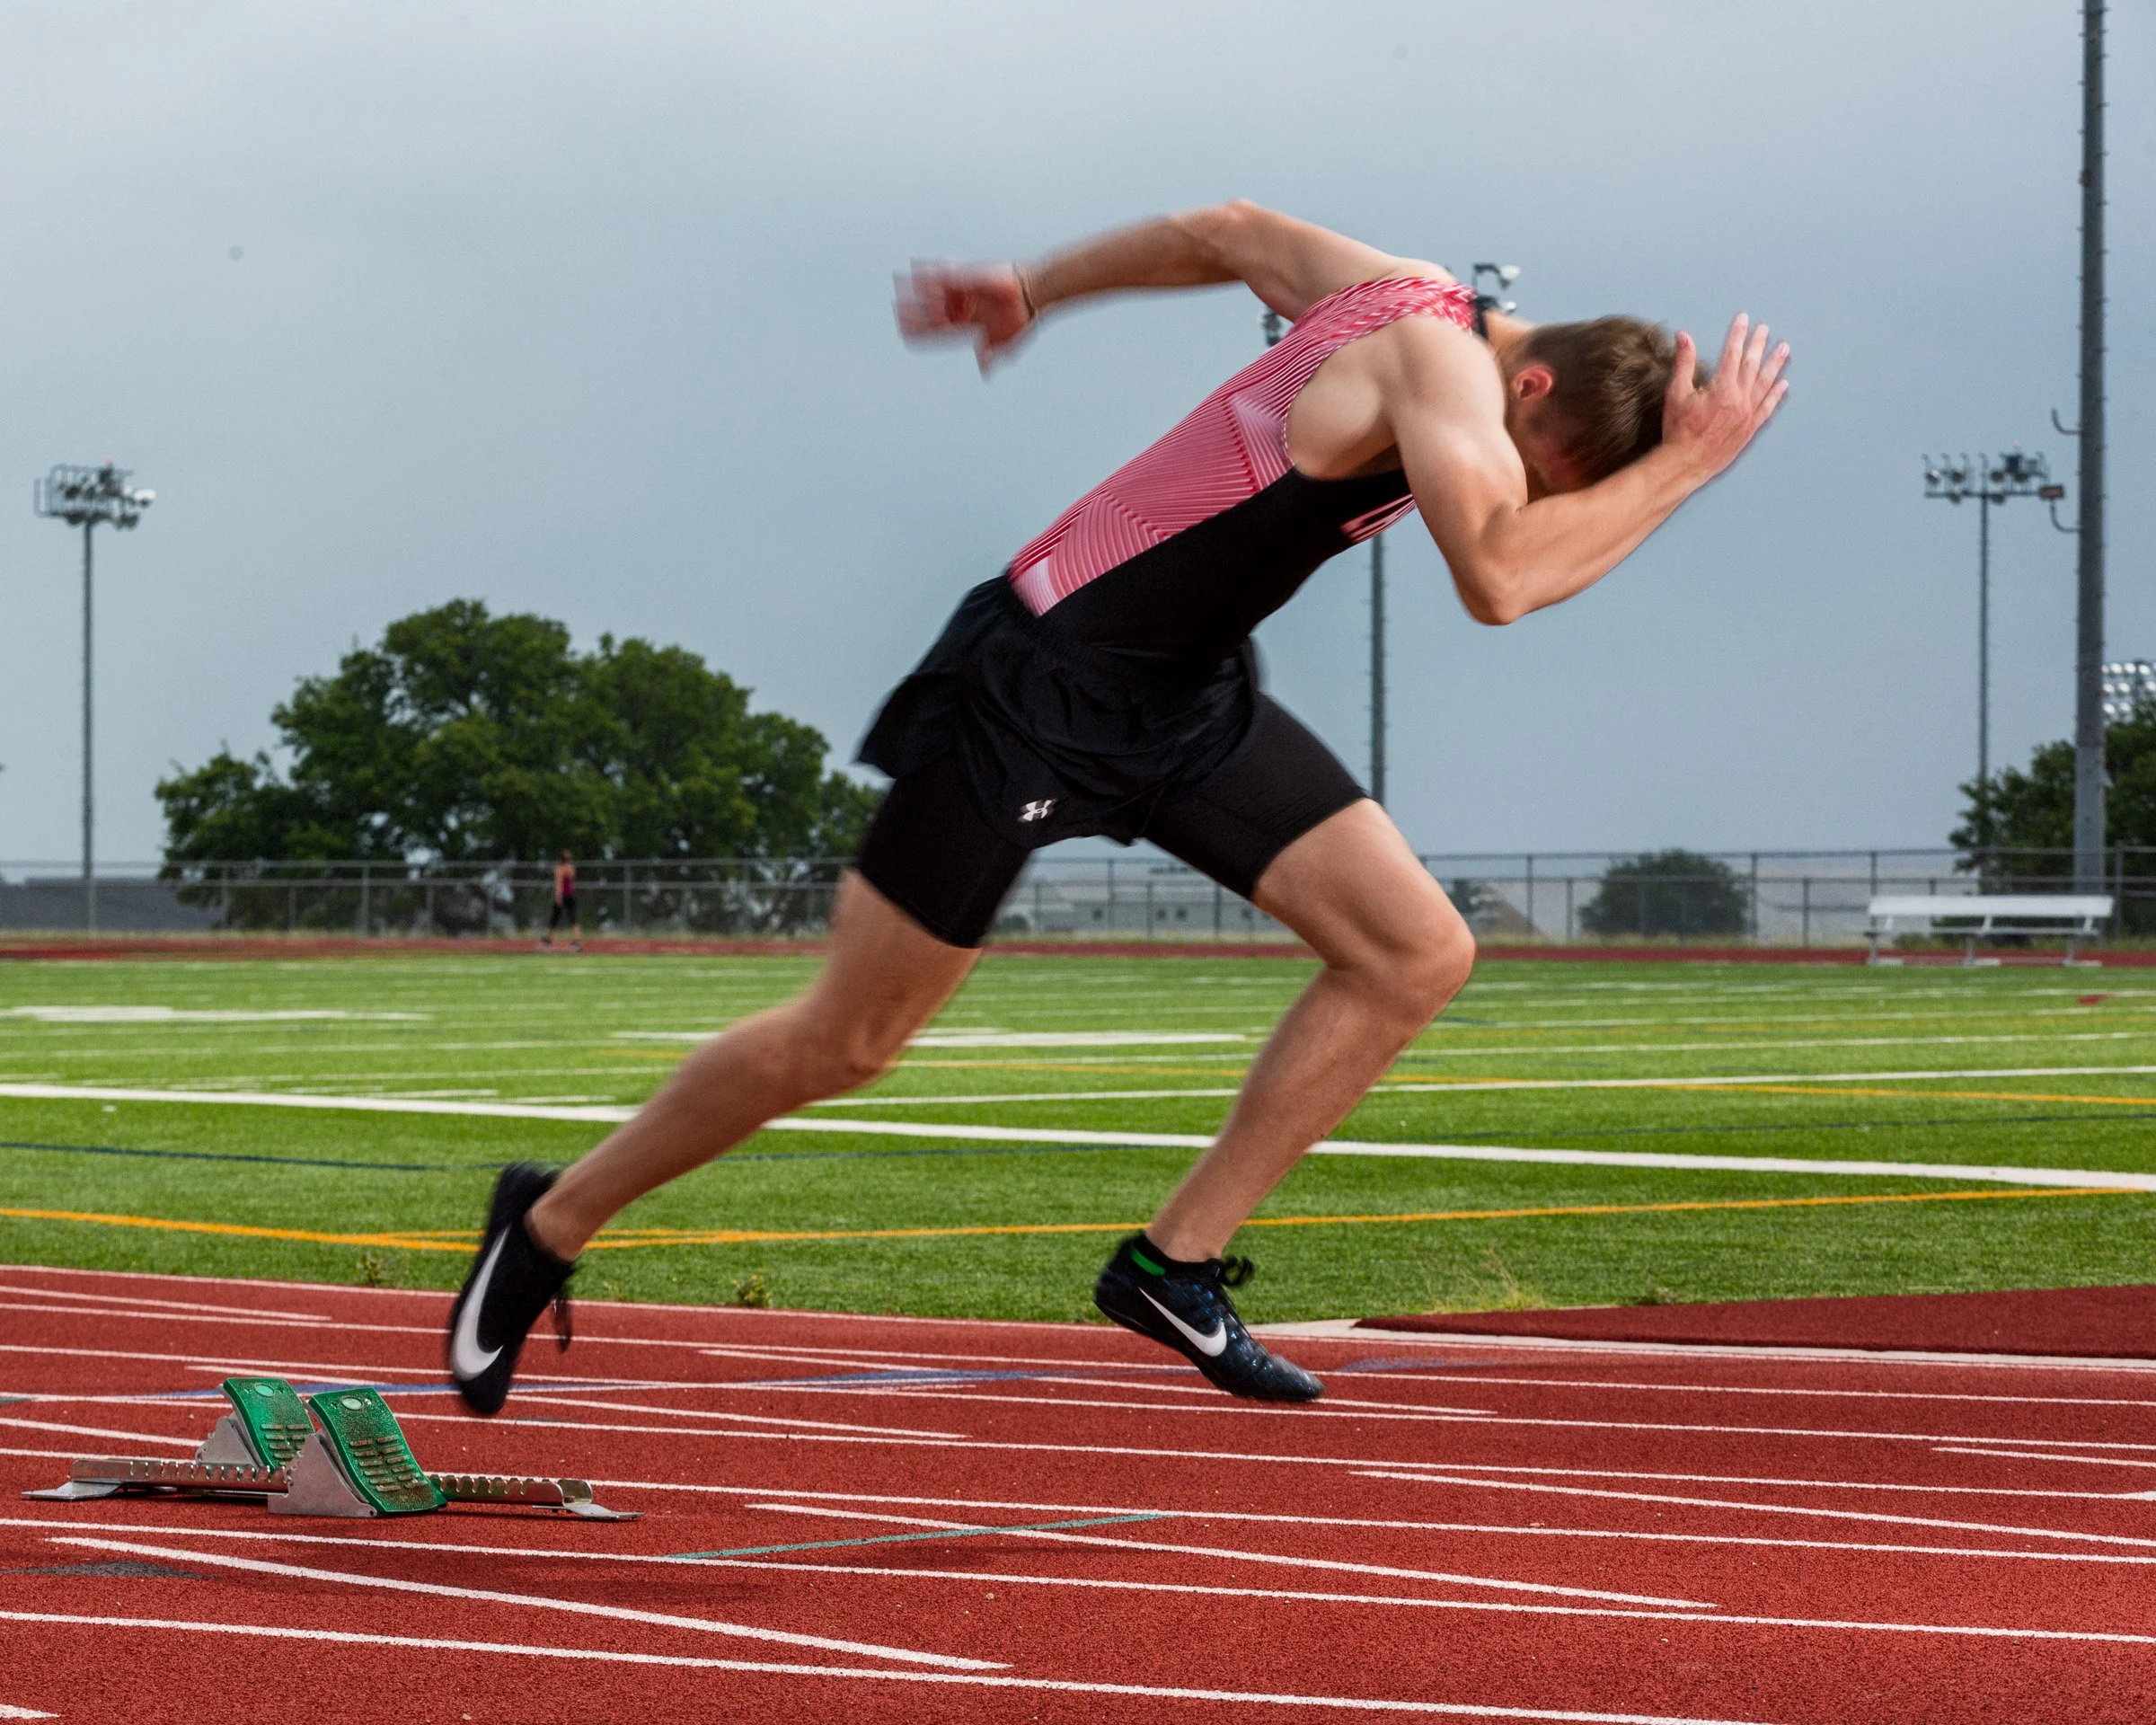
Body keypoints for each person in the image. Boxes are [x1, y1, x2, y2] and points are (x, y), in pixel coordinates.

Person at [446, 201, 1788, 1413]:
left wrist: (1035, 284)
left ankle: (1170, 1265)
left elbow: (1225, 231)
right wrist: (1689, 467)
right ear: (1532, 384)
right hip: (1035, 691)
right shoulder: (1439, 365)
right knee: (847, 1042)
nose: (1523, 490)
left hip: (1184, 702)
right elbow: (1500, 578)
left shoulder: (1407, 286)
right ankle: (550, 1220)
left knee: (1414, 950)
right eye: (1545, 468)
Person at [541, 850, 580, 951]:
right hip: (571, 894)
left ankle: (548, 940)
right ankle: (576, 941)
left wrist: (558, 897)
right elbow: (571, 881)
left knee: (555, 918)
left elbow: (559, 884)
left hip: (563, 895)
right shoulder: (571, 868)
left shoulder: (559, 869)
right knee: (573, 918)